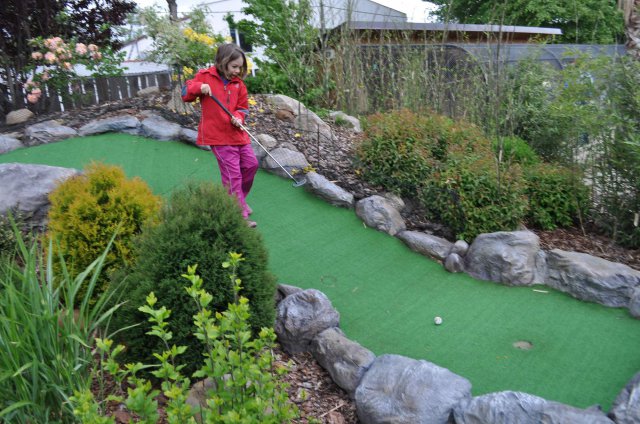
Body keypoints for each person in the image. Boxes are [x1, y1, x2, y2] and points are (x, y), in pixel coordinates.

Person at [181, 43, 259, 227]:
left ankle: (239, 200)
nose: (237, 71)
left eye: (240, 67)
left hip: (238, 135)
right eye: (234, 66)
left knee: (251, 165)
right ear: (223, 62)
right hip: (218, 137)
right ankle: (237, 215)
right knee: (233, 174)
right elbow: (185, 93)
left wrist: (239, 117)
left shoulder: (239, 84)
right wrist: (199, 87)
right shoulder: (205, 76)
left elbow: (243, 108)